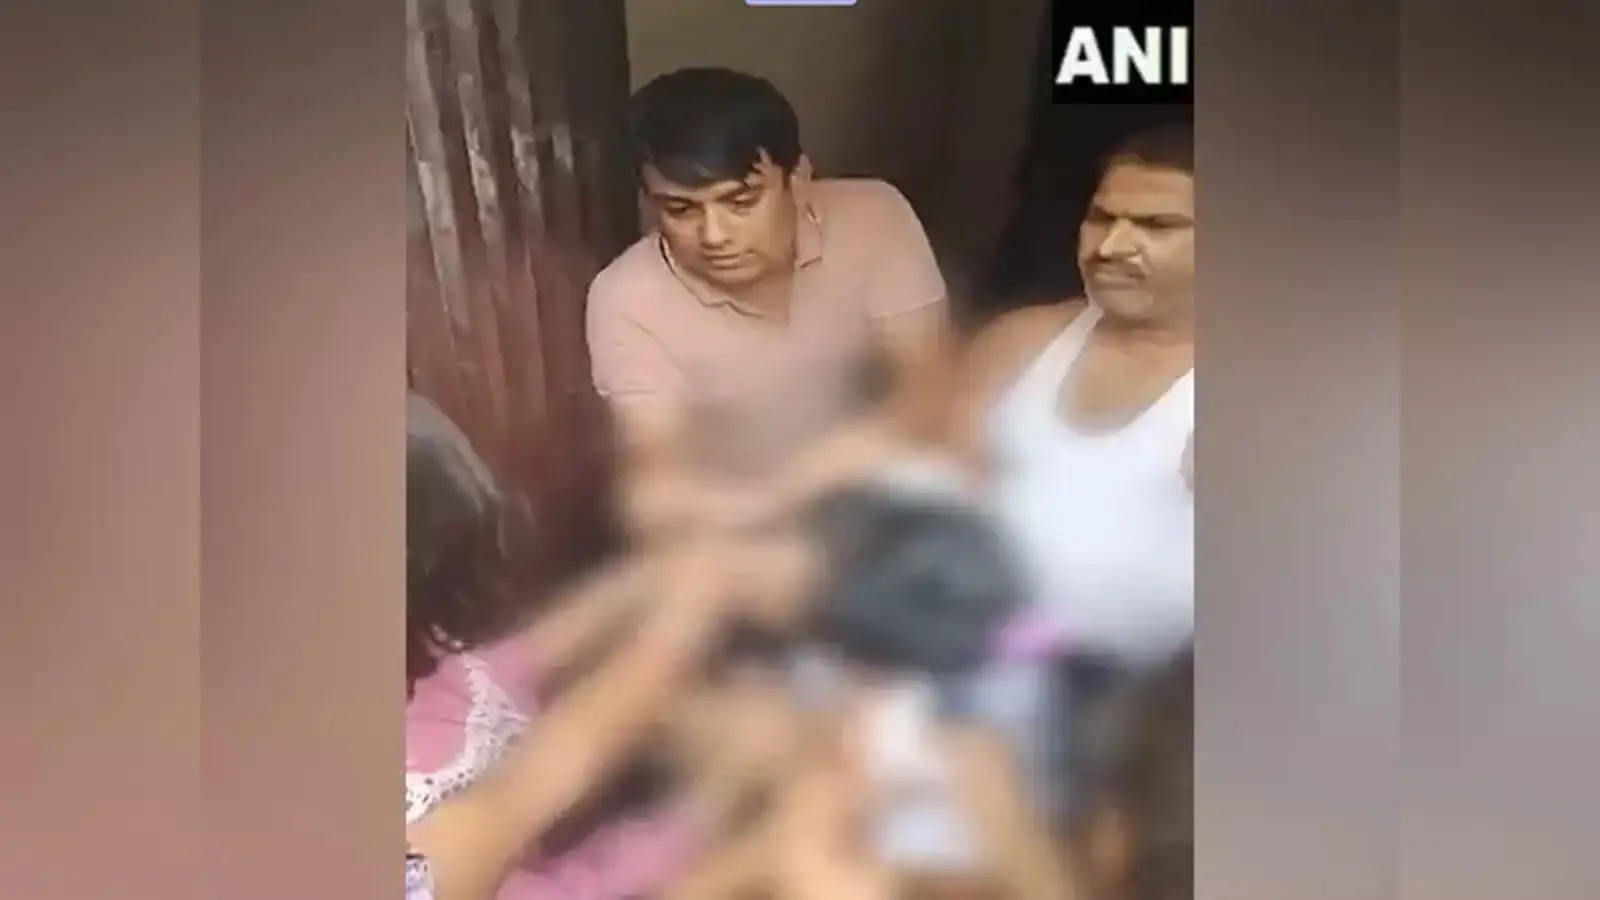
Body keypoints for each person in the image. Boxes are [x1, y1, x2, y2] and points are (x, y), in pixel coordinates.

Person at [403, 393, 817, 900]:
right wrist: (683, 621)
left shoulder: (433, 662)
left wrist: (689, 571)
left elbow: (540, 647)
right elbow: (555, 767)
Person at [945, 119, 1196, 824]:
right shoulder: (1020, 341)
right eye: (1102, 218)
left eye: (1157, 226)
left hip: (1126, 706)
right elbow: (935, 500)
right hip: (961, 660)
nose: (1112, 246)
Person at [586, 66, 953, 542]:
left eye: (741, 202)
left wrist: (838, 479)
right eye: (680, 210)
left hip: (885, 502)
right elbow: (656, 480)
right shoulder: (624, 296)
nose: (714, 235)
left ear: (797, 179)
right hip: (738, 533)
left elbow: (931, 389)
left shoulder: (874, 216)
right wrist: (779, 510)